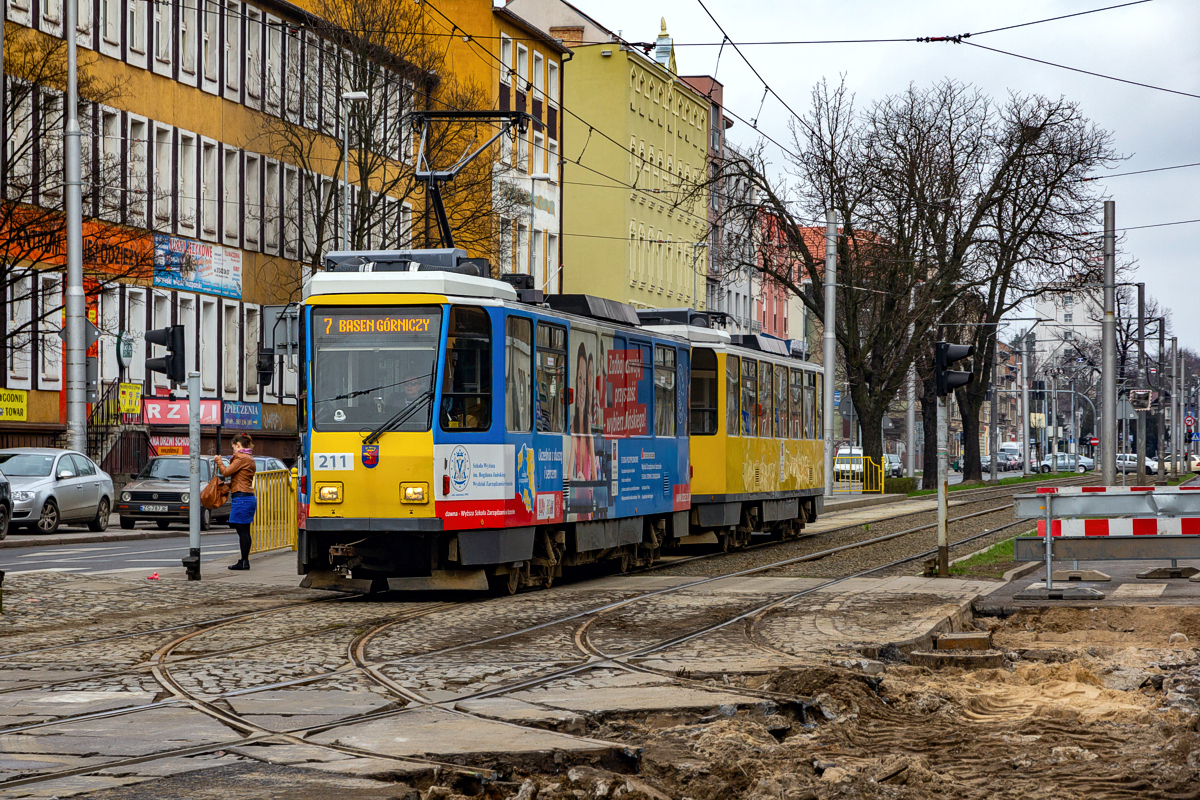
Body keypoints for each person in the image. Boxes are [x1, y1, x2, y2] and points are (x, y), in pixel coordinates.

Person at [215, 434, 257, 571]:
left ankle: (244, 562)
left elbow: (226, 472)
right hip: (247, 496)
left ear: (238, 445)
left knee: (242, 530)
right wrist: (229, 484)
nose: (233, 450)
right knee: (244, 530)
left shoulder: (241, 457)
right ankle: (244, 560)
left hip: (242, 498)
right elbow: (241, 477)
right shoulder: (249, 457)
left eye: (233, 447)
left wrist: (219, 461)